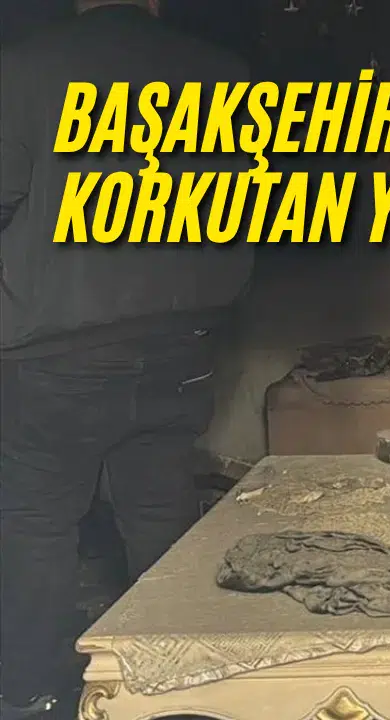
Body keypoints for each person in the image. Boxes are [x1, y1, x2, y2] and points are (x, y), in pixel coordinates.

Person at [0, 1, 254, 716]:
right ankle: (183, 689)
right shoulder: (223, 76)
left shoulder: (24, 70)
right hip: (185, 342)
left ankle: (38, 695)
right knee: (160, 508)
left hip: (58, 350)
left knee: (36, 519)